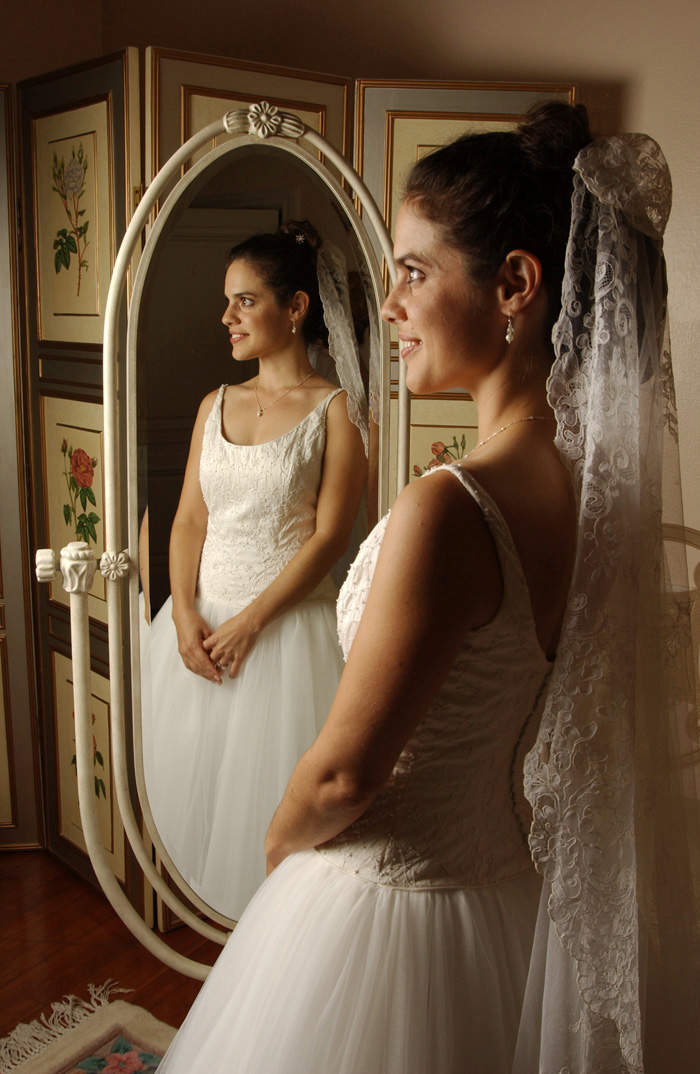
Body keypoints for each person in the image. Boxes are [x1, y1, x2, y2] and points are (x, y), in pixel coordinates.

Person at [156, 105, 700, 1072]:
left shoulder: (449, 507)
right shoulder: (584, 485)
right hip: (502, 897)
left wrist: (280, 852)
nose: (390, 306)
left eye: (413, 271)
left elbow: (344, 776)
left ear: (515, 285)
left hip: (388, 908)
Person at [142, 220, 368, 921]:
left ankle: (276, 944)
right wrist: (185, 612)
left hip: (284, 636)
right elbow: (189, 519)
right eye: (228, 301)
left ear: (295, 307)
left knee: (275, 806)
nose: (227, 317)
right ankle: (221, 944)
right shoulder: (215, 404)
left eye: (245, 301)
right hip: (200, 628)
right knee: (199, 794)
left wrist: (251, 622)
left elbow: (330, 538)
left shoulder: (337, 412)